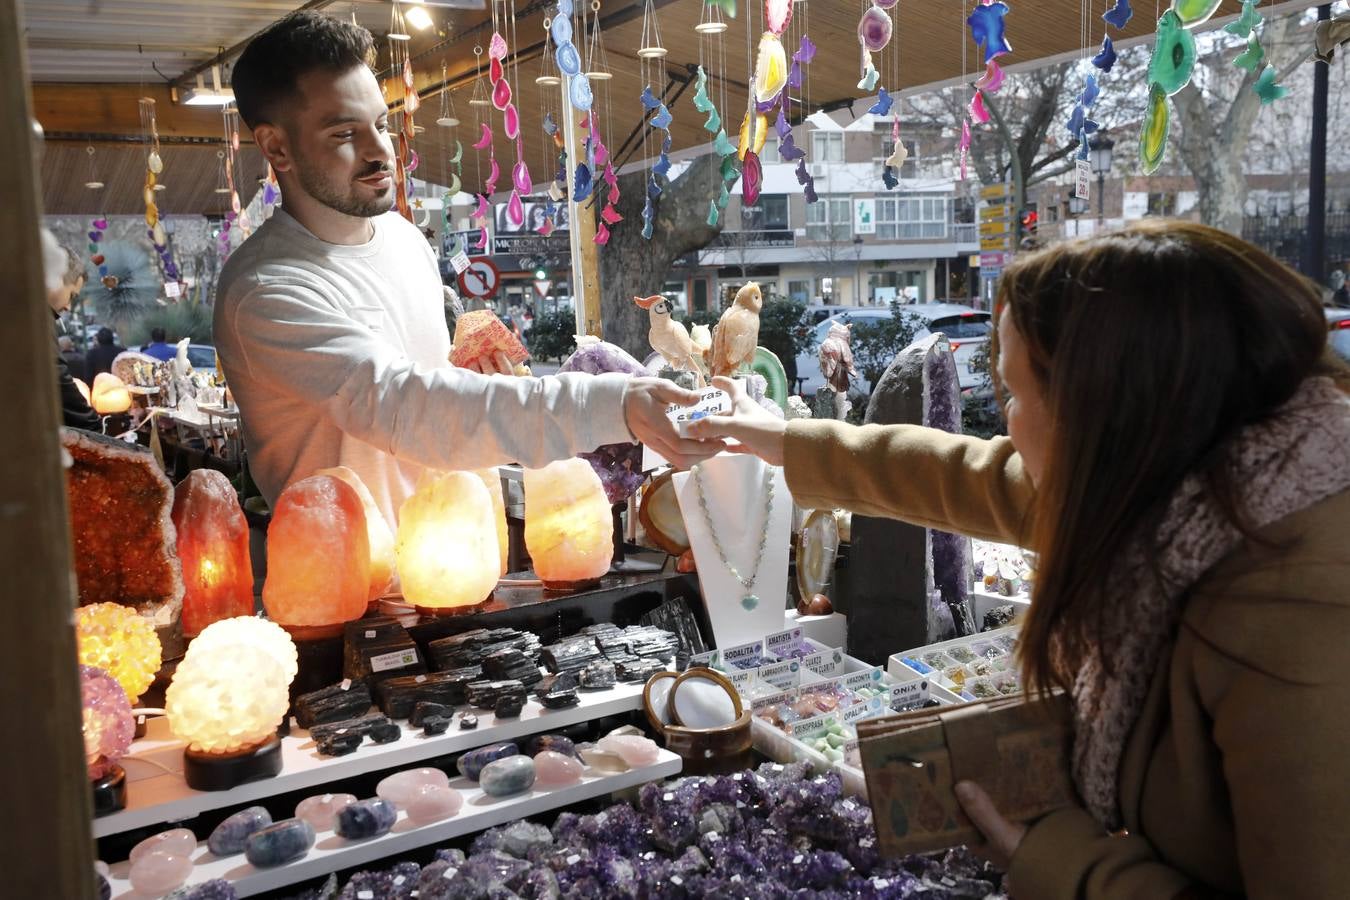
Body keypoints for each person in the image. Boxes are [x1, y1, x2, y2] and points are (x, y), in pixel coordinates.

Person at [692, 221, 1350, 899]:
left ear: (1098, 409)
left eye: (1013, 394)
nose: (1003, 426)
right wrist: (777, 439)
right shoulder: (1188, 485)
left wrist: (1059, 858)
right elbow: (963, 476)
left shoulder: (1298, 613)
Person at [218, 12, 715, 528]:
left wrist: (475, 379)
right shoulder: (266, 288)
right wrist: (620, 404)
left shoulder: (405, 241)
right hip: (355, 595)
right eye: (345, 133)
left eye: (382, 125)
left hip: (465, 568)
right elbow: (410, 410)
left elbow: (437, 401)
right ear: (276, 146)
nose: (379, 151)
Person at [40, 229, 99, 430]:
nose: (68, 306)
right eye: (72, 296)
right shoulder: (38, 315)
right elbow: (55, 375)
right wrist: (91, 423)